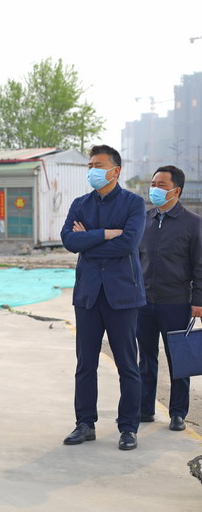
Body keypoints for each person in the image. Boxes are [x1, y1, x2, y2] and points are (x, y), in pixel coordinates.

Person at [61, 144, 145, 451]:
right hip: (88, 295)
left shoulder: (134, 204)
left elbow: (128, 244)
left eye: (98, 165)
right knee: (85, 364)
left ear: (115, 170)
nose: (92, 171)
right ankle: (85, 423)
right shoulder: (80, 204)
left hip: (122, 296)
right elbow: (69, 240)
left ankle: (128, 428)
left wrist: (88, 239)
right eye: (90, 166)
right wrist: (106, 233)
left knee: (127, 365)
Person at [137, 165, 202, 432]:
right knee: (146, 359)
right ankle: (145, 409)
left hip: (176, 302)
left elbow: (199, 265)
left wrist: (198, 300)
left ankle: (178, 413)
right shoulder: (144, 220)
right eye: (153, 184)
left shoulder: (193, 223)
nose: (155, 189)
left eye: (161, 185)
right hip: (143, 303)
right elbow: (136, 260)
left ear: (176, 190)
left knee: (178, 359)